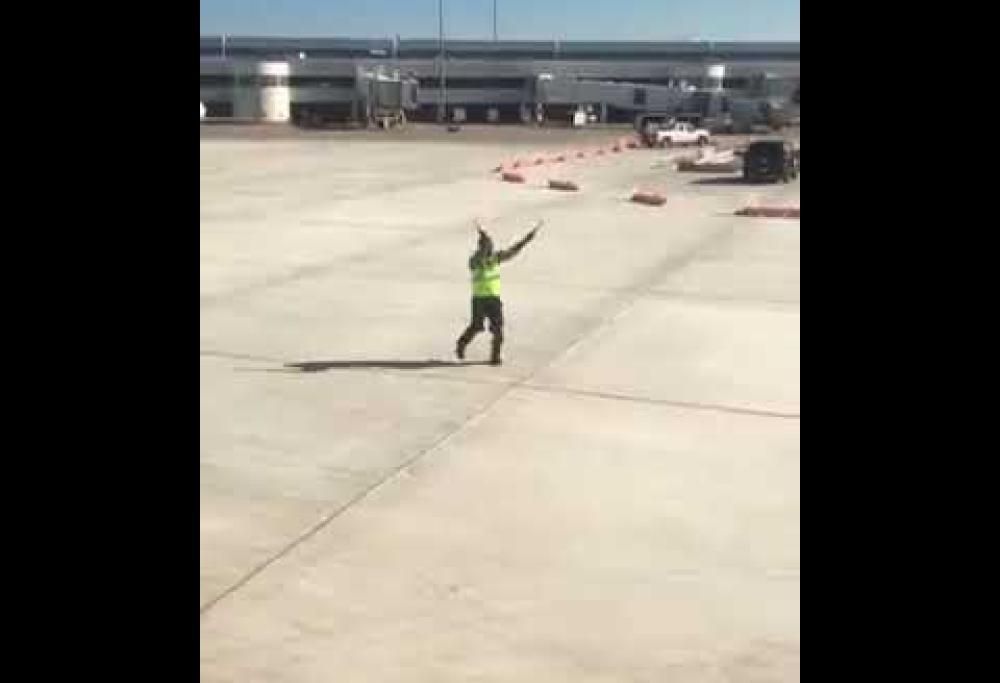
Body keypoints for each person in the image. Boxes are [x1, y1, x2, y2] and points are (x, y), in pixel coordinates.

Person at [455, 219, 542, 365]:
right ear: (481, 248)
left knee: (498, 329)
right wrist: (483, 235)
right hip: (479, 300)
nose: (489, 250)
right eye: (487, 248)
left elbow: (513, 250)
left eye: (490, 248)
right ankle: (461, 344)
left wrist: (526, 239)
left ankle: (495, 356)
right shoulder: (474, 260)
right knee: (477, 326)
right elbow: (480, 260)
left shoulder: (495, 258)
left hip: (493, 299)